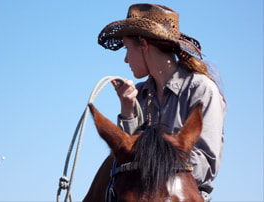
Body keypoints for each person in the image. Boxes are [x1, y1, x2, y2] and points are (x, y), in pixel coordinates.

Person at [95, 3, 226, 201]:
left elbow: (205, 165)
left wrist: (157, 164)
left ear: (144, 45)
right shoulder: (138, 94)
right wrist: (128, 111)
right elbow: (127, 163)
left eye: (127, 48)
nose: (125, 59)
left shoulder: (201, 89)